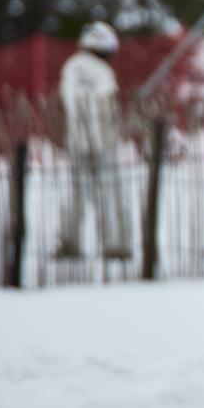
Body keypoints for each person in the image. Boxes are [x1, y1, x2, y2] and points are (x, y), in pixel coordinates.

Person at [57, 21, 130, 261]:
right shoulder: (101, 71)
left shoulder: (71, 67)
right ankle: (115, 244)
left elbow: (71, 101)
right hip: (102, 143)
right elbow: (103, 102)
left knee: (78, 194)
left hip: (77, 141)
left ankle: (69, 242)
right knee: (110, 193)